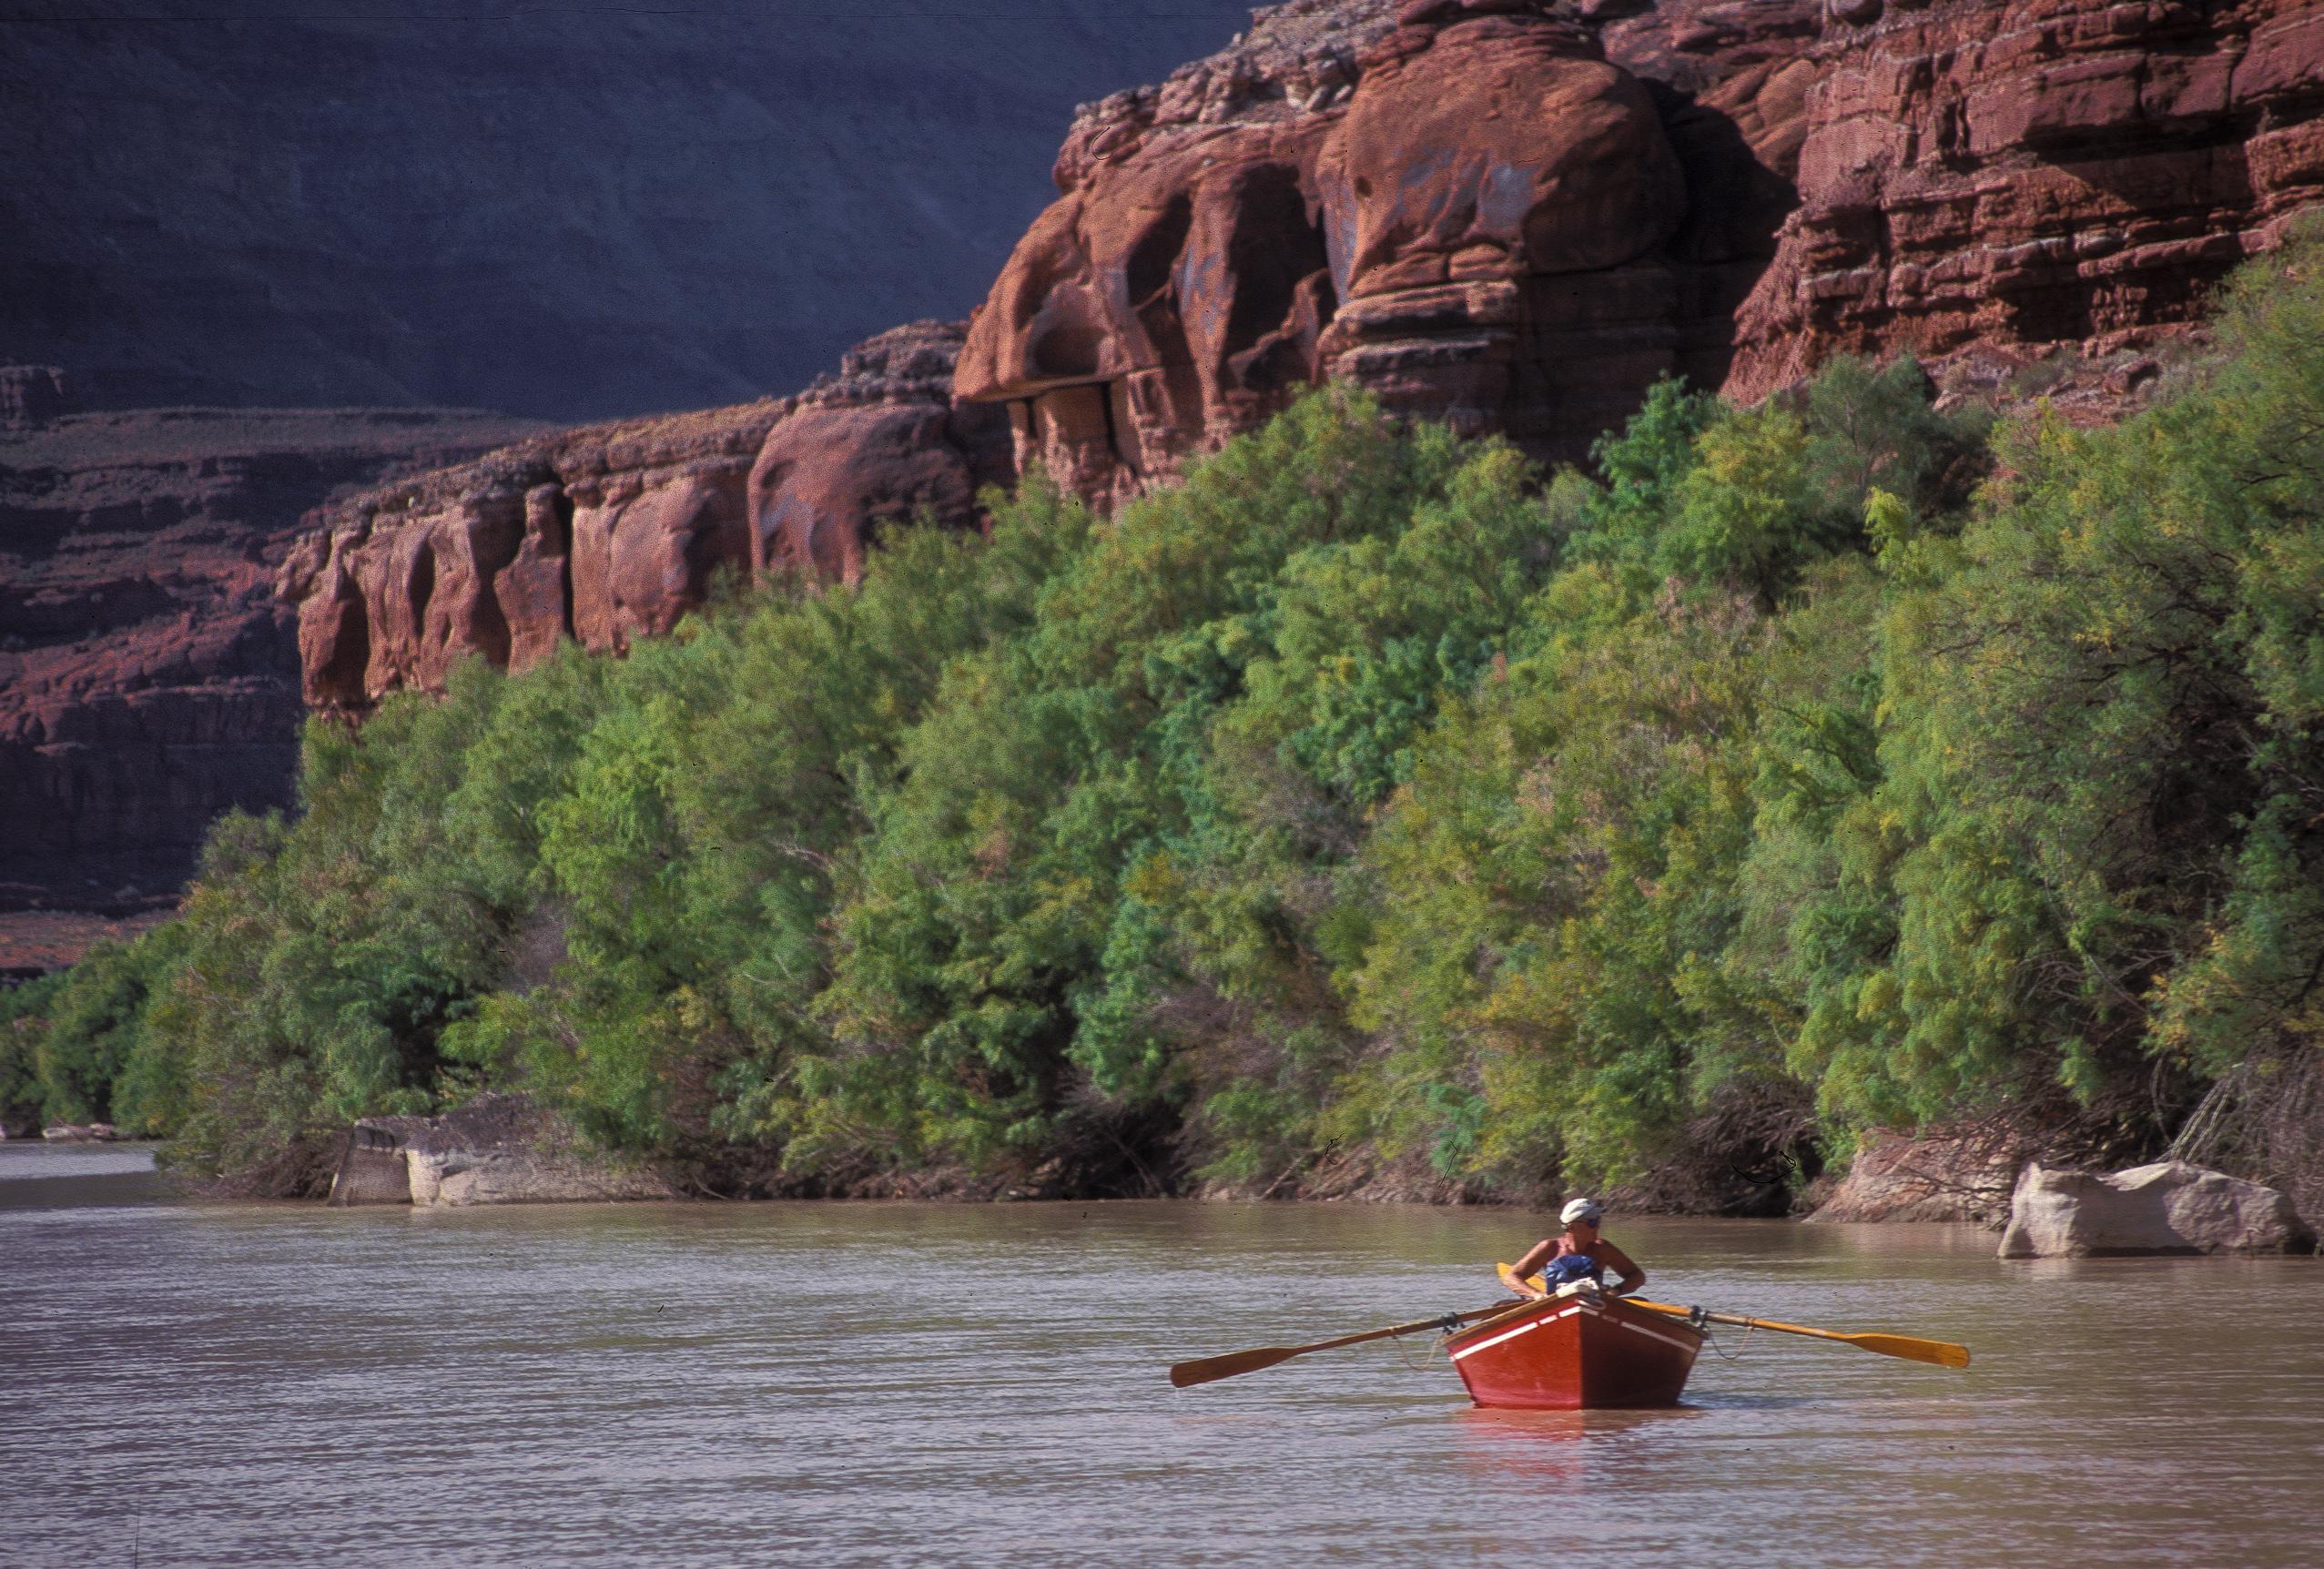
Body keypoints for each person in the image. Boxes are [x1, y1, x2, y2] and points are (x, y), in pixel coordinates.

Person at [1510, 1197, 1646, 1300]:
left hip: (1594, 1304)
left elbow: (1637, 1276)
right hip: (1554, 1305)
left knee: (1641, 1300)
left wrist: (1616, 1291)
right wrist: (1535, 1294)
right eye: (1592, 1222)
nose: (1598, 1226)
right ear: (1571, 1227)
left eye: (1598, 1221)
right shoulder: (1549, 1248)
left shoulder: (1602, 1248)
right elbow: (1512, 1276)